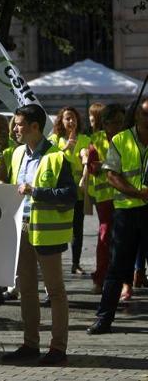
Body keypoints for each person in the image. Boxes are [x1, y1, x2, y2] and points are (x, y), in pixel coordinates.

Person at [2, 104, 76, 366]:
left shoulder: (57, 157)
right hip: (22, 230)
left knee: (55, 291)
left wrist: (36, 192)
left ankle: (58, 348)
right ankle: (30, 344)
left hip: (47, 234)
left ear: (35, 127)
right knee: (27, 290)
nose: (15, 128)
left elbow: (70, 196)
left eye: (20, 124)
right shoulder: (17, 154)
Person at [87, 99, 148, 335]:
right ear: (137, 117)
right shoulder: (122, 140)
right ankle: (104, 319)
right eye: (145, 114)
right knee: (117, 268)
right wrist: (137, 193)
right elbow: (111, 175)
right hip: (127, 213)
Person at [85, 103, 122, 295]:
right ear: (105, 123)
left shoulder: (127, 138)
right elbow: (91, 166)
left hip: (126, 195)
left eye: (121, 123)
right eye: (114, 122)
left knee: (126, 238)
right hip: (105, 197)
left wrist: (104, 165)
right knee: (105, 236)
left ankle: (127, 280)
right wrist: (107, 165)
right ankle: (100, 278)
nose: (118, 126)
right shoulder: (96, 138)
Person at [48, 107, 90, 275]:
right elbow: (49, 160)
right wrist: (65, 147)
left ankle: (76, 263)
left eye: (73, 118)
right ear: (61, 121)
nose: (71, 121)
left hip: (77, 191)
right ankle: (56, 264)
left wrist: (83, 179)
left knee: (77, 229)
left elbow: (87, 161)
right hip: (59, 191)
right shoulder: (54, 140)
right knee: (57, 228)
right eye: (67, 118)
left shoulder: (85, 139)